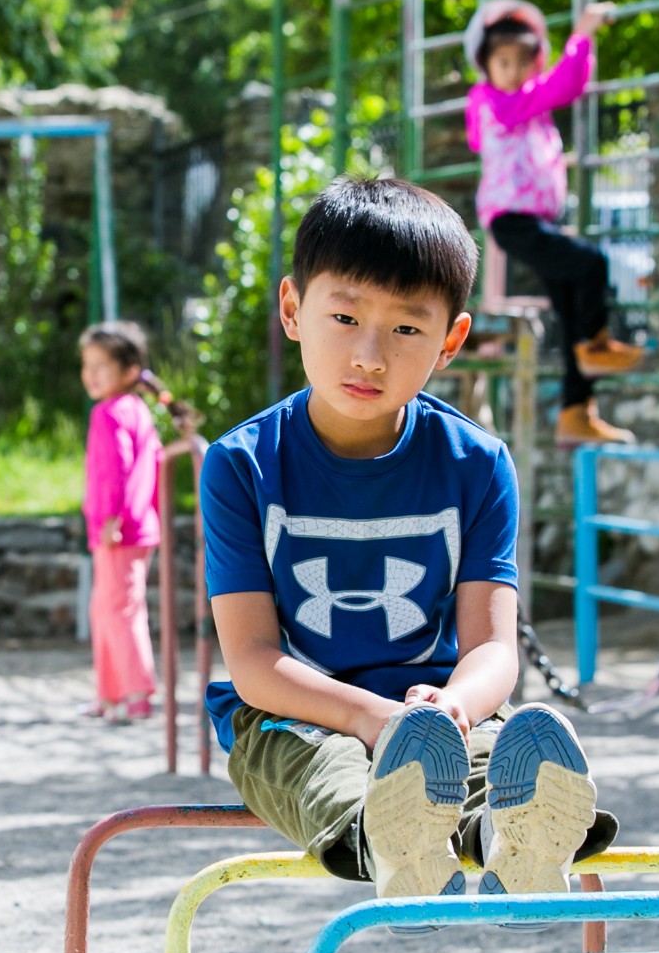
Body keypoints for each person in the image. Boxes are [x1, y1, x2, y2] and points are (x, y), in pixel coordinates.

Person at [200, 177, 617, 899]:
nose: (369, 354)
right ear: (294, 309)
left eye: (405, 328)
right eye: (344, 316)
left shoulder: (477, 463)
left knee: (494, 750)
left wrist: (454, 706)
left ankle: (514, 840)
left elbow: (491, 648)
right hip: (291, 714)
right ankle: (394, 846)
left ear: (451, 340)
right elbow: (254, 661)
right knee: (326, 766)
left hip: (435, 711)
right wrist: (373, 719)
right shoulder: (241, 465)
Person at [465, 0, 644, 447]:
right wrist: (582, 35)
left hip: (533, 220)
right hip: (514, 221)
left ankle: (575, 410)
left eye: (522, 63)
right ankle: (596, 345)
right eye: (501, 61)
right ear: (485, 65)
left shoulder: (526, 108)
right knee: (590, 264)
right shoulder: (494, 102)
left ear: (533, 64)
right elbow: (564, 86)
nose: (511, 71)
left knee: (569, 310)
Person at [77, 321, 200, 722]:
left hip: (119, 529)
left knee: (119, 610)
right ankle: (110, 693)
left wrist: (111, 516)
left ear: (130, 372)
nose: (90, 374)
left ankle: (136, 693)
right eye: (86, 365)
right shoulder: (133, 410)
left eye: (101, 365)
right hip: (120, 528)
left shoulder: (112, 412)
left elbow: (117, 469)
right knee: (107, 609)